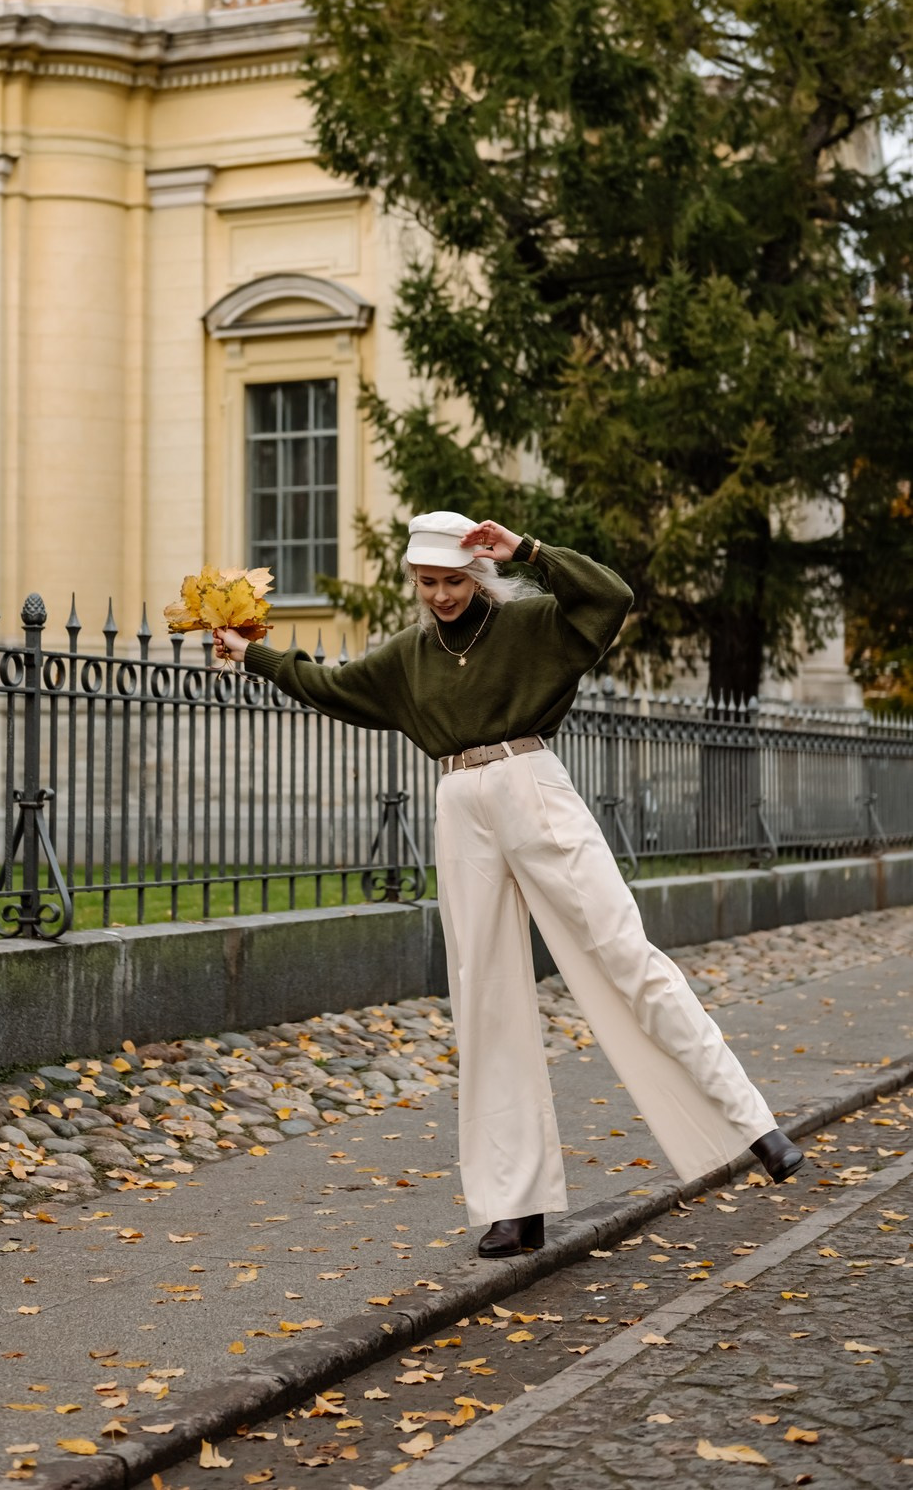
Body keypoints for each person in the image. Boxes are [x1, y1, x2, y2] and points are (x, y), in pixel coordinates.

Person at [214, 511, 802, 1258]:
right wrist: (253, 653)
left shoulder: (531, 627)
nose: (439, 595)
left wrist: (528, 549)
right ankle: (515, 1205)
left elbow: (610, 596)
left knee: (624, 954)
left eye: (453, 579)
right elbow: (329, 686)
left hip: (531, 784)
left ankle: (756, 1127)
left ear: (478, 573)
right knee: (485, 997)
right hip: (460, 804)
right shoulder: (408, 658)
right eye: (427, 582)